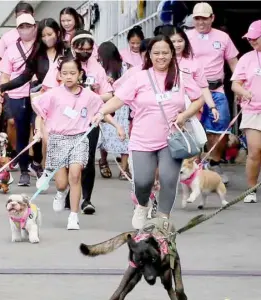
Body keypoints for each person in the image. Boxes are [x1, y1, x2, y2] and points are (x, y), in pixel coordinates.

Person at [92, 35, 204, 229]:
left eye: (165, 53)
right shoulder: (139, 76)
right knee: (143, 181)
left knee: (169, 179)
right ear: (149, 55)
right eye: (156, 53)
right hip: (142, 138)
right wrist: (101, 111)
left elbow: (199, 99)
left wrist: (184, 115)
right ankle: (142, 206)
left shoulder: (180, 76)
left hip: (171, 139)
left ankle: (162, 219)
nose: (161, 57)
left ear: (172, 54)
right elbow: (119, 99)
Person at [33, 57, 124, 230]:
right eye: (64, 73)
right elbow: (40, 113)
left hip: (80, 139)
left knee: (75, 175)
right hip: (58, 139)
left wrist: (117, 126)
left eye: (72, 73)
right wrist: (39, 131)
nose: (68, 77)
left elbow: (102, 112)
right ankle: (61, 193)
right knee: (61, 183)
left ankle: (73, 216)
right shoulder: (53, 94)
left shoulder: (90, 96)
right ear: (59, 75)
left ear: (80, 74)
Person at [41, 30, 113, 214]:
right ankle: (65, 192)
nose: (85, 53)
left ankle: (86, 199)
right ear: (73, 47)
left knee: (87, 160)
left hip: (89, 120)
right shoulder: (61, 65)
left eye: (89, 49)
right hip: (64, 122)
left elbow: (109, 94)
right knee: (65, 161)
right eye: (81, 49)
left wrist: (90, 93)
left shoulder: (97, 68)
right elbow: (48, 91)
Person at [186, 2, 239, 183]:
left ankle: (214, 163)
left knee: (220, 128)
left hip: (216, 89)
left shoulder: (223, 37)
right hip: (192, 91)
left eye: (205, 18)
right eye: (197, 18)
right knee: (192, 128)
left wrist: (240, 85)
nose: (201, 22)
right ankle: (192, 167)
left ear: (212, 18)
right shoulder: (185, 37)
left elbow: (234, 63)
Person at [0, 14, 37, 187]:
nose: (25, 29)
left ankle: (38, 163)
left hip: (38, 94)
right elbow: (5, 75)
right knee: (21, 133)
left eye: (28, 26)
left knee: (38, 130)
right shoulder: (11, 49)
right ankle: (24, 170)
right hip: (16, 95)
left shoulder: (39, 47)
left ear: (35, 27)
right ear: (17, 30)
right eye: (21, 26)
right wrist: (0, 95)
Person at [232, 20, 261, 203]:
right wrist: (244, 92)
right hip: (253, 110)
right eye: (248, 38)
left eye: (254, 37)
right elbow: (235, 84)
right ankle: (250, 189)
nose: (250, 41)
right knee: (255, 150)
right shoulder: (246, 58)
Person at [95, 41, 131, 180]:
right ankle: (103, 161)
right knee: (105, 135)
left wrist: (114, 83)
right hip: (106, 103)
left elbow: (129, 84)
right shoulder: (99, 69)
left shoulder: (125, 67)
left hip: (122, 105)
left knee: (123, 135)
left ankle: (124, 168)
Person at [0, 2, 34, 86]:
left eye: (26, 15)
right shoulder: (8, 37)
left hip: (36, 83)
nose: (23, 19)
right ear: (15, 17)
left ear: (33, 15)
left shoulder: (40, 33)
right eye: (20, 16)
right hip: (14, 85)